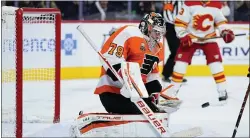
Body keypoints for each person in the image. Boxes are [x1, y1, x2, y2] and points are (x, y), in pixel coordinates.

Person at [94, 12, 177, 114]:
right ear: (145, 26)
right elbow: (110, 58)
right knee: (145, 111)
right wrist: (128, 81)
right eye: (155, 31)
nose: (158, 35)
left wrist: (157, 93)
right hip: (112, 92)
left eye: (160, 32)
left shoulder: (158, 47)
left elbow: (152, 76)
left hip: (137, 94)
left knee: (158, 109)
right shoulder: (129, 33)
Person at [165, 1, 235, 102]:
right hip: (191, 38)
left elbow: (220, 21)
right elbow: (180, 22)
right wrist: (183, 35)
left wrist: (224, 31)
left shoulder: (216, 4)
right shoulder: (189, 3)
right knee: (180, 65)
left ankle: (222, 91)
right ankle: (172, 92)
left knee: (216, 65)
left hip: (209, 38)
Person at [162, 0, 187, 83]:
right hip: (172, 27)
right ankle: (166, 74)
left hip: (182, 27)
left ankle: (176, 74)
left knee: (180, 52)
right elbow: (166, 13)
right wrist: (177, 22)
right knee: (175, 51)